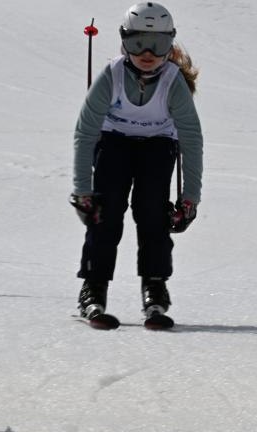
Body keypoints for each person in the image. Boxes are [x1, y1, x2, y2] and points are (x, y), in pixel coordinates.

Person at [70, 2, 203, 324]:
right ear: (123, 42)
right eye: (137, 42)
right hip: (114, 142)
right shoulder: (112, 75)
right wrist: (83, 191)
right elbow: (85, 132)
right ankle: (94, 288)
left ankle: (155, 288)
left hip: (158, 145)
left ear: (169, 45)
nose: (147, 52)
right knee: (105, 213)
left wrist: (190, 199)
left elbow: (191, 139)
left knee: (152, 212)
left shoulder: (173, 81)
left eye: (157, 44)